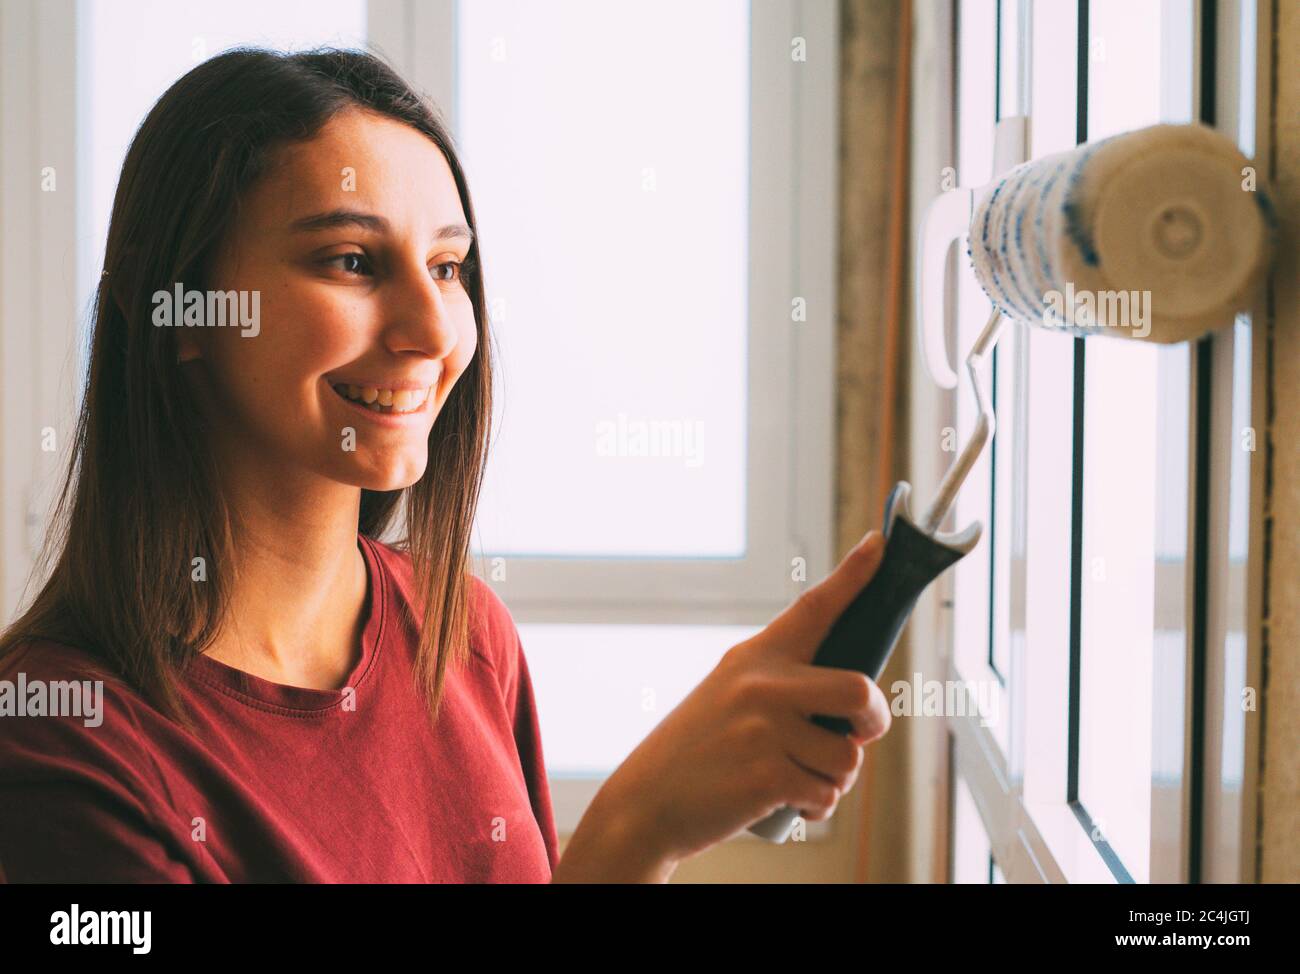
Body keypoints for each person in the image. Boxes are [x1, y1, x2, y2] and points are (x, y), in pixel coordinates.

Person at [0, 48, 891, 883]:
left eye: (447, 266)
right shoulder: (59, 750)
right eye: (351, 262)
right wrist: (635, 826)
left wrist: (644, 834)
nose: (434, 332)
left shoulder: (465, 633)